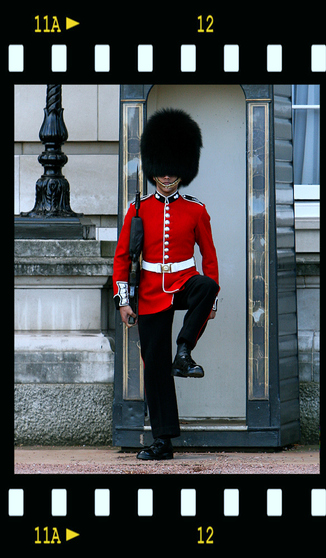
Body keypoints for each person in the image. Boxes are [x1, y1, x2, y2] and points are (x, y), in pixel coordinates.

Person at [113, 108, 220, 461]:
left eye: (174, 168)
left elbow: (209, 256)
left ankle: (185, 350)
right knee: (155, 367)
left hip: (185, 281)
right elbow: (123, 258)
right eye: (161, 168)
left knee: (207, 286)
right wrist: (124, 301)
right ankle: (163, 441)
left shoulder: (196, 209)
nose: (167, 175)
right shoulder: (138, 209)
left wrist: (213, 298)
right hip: (149, 292)